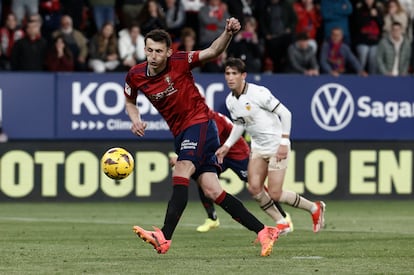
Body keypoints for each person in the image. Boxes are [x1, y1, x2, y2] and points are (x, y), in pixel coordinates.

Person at [124, 19, 279, 257]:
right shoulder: (135, 75)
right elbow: (129, 101)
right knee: (211, 190)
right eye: (149, 50)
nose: (153, 56)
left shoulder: (180, 61)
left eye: (159, 51)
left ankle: (164, 236)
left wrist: (227, 32)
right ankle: (263, 231)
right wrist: (135, 119)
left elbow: (214, 51)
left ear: (169, 52)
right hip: (180, 132)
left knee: (182, 169)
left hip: (201, 123)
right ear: (145, 50)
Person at [216, 57, 326, 234]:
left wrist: (284, 142)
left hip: (276, 146)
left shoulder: (259, 93)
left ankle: (314, 208)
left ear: (243, 75)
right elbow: (240, 124)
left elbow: (286, 113)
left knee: (275, 193)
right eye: (227, 73)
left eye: (234, 73)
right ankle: (281, 222)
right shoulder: (230, 100)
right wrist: (227, 145)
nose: (230, 77)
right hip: (258, 148)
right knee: (254, 188)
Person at [170, 111, 294, 234]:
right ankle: (212, 218)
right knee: (201, 177)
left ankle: (283, 217)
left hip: (236, 154)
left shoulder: (211, 120)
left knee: (256, 185)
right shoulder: (197, 119)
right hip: (218, 154)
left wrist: (182, 158)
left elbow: (205, 143)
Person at [352, 0, 384, 74]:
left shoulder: (378, 9)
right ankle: (359, 77)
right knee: (362, 58)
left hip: (374, 41)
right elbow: (358, 24)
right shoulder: (359, 9)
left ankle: (372, 81)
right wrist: (370, 15)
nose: (369, 1)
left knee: (373, 61)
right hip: (362, 40)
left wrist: (376, 16)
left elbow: (381, 24)